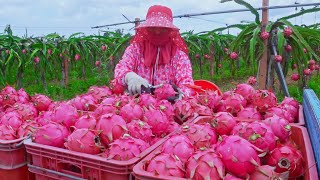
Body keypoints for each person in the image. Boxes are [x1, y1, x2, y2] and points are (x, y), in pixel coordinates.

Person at [114, 5, 194, 98]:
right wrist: (130, 76)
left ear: (169, 30)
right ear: (146, 28)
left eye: (162, 29)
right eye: (153, 28)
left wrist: (180, 95)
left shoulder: (179, 55)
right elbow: (121, 69)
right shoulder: (135, 49)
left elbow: (187, 83)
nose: (157, 32)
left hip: (169, 108)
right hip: (137, 103)